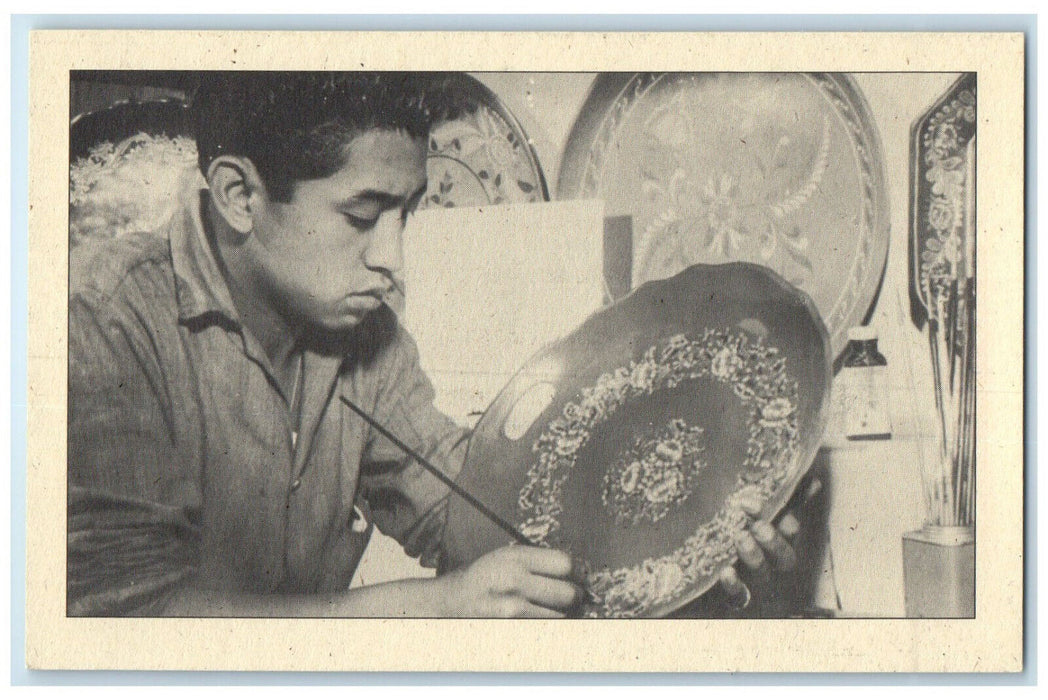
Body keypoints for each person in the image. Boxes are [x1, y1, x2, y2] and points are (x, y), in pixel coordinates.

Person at [67, 71, 803, 618]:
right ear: (239, 195)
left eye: (406, 213)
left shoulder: (363, 331)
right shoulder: (99, 324)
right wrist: (432, 609)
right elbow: (128, 622)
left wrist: (692, 531)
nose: (393, 260)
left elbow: (470, 516)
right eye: (363, 215)